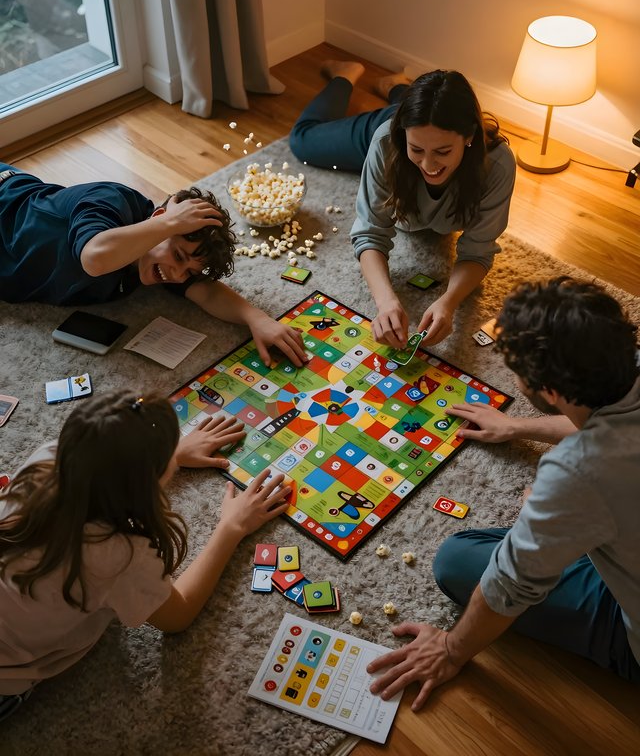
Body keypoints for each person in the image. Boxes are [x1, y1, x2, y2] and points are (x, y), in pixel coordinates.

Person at [366, 277, 640, 710]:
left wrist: (451, 649)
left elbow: (510, 585)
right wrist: (517, 427)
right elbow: (610, 417)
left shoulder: (575, 473)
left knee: (458, 560)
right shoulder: (626, 369)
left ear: (549, 392)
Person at [0, 391, 291, 721]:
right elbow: (176, 617)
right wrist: (231, 528)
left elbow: (105, 478)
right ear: (149, 480)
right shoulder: (119, 553)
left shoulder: (46, 458)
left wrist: (172, 456)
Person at [289, 61, 516, 348]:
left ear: (469, 136)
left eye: (443, 152)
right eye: (417, 150)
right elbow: (370, 232)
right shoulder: (387, 141)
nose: (429, 165)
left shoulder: (497, 165)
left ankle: (397, 87)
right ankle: (345, 76)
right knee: (302, 141)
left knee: (419, 131)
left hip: (409, 129)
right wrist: (385, 302)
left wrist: (448, 303)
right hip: (386, 126)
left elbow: (479, 251)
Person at [0, 166, 306, 367]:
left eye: (187, 271)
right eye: (178, 256)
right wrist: (170, 222)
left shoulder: (161, 261)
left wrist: (258, 319)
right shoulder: (112, 200)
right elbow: (94, 259)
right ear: (158, 217)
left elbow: (207, 292)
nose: (176, 275)